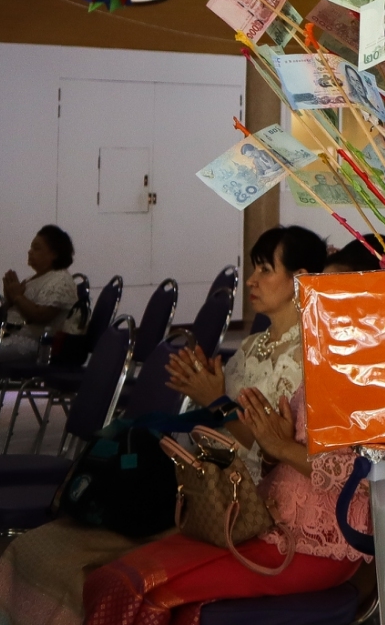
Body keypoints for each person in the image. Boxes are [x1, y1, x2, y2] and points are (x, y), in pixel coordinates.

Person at [73, 227, 364, 625]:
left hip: (309, 537)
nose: (251, 281)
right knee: (121, 577)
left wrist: (224, 406)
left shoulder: (350, 369)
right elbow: (267, 447)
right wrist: (214, 400)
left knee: (140, 586)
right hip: (259, 510)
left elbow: (354, 474)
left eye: (265, 269)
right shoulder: (283, 351)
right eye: (322, 286)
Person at [0, 225, 81, 368]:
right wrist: (10, 300)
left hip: (35, 344)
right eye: (31, 247)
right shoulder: (32, 279)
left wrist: (17, 297)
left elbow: (41, 316)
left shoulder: (61, 281)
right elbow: (18, 308)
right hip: (9, 335)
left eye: (36, 248)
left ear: (54, 254)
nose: (30, 252)